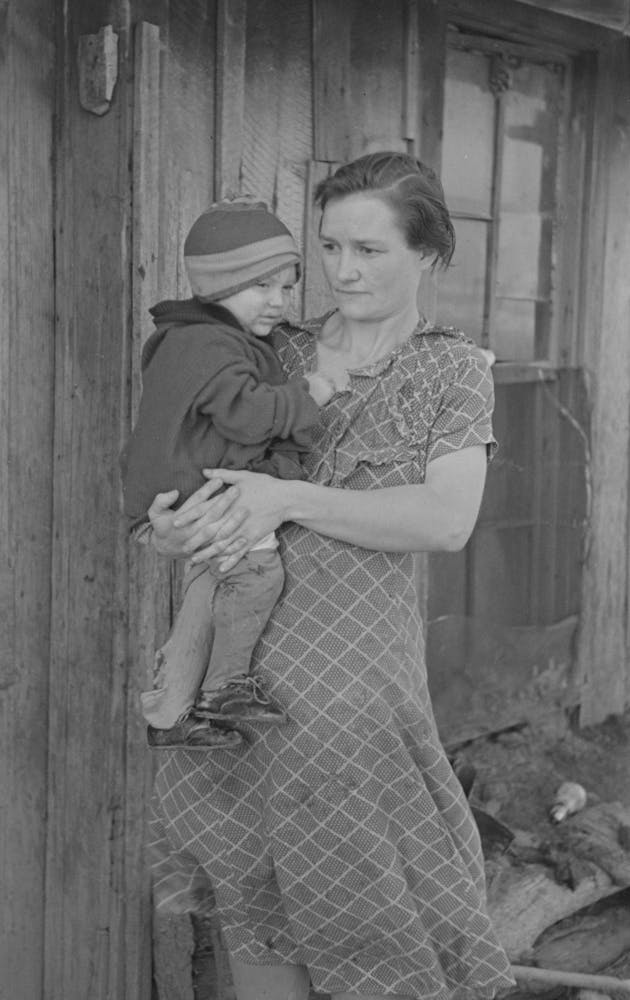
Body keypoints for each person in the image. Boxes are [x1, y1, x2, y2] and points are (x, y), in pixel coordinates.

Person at [144, 152, 516, 1000]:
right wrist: (171, 527)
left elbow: (445, 520)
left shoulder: (449, 370)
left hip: (354, 699)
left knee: (376, 934)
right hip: (242, 691)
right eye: (331, 247)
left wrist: (286, 497)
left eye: (371, 251)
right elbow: (199, 477)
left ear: (427, 253)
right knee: (256, 913)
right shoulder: (272, 349)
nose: (344, 270)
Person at [123, 199, 341, 752]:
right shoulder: (211, 346)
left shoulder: (191, 338)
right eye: (261, 286)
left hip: (176, 501)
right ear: (218, 285)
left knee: (204, 593)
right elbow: (246, 414)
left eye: (286, 287)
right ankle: (225, 688)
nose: (278, 301)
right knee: (257, 577)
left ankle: (168, 713)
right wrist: (310, 394)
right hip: (197, 497)